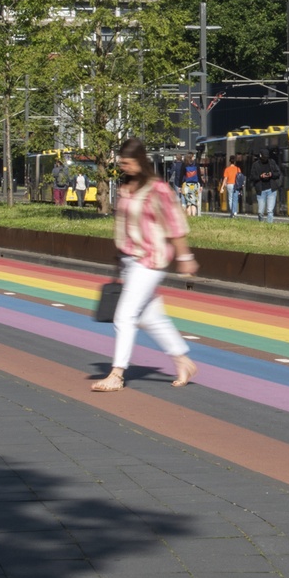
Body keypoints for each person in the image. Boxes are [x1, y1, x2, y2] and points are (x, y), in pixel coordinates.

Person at [90, 138, 199, 393]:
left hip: (151, 259)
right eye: (121, 163)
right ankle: (183, 360)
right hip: (130, 259)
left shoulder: (157, 189)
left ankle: (117, 374)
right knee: (150, 317)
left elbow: (175, 226)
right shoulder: (127, 187)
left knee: (124, 315)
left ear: (139, 161)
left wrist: (185, 258)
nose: (124, 168)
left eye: (127, 163)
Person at [254, 153, 283, 220]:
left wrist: (271, 174)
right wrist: (260, 176)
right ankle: (261, 223)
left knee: (270, 211)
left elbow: (278, 173)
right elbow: (252, 177)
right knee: (260, 212)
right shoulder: (256, 165)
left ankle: (269, 226)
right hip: (260, 190)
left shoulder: (272, 163)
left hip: (271, 189)